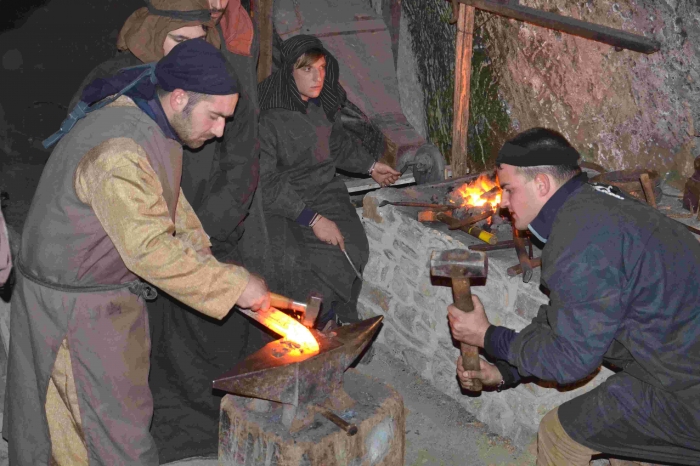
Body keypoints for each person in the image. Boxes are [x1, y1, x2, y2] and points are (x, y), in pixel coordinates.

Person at [2, 39, 270, 466]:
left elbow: (168, 206)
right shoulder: (118, 153)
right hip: (75, 312)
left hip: (86, 295)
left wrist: (214, 267)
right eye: (215, 116)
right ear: (180, 97)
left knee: (75, 430)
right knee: (114, 434)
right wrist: (236, 287)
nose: (220, 130)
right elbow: (149, 248)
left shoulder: (151, 119)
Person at [447, 127, 700, 465]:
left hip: (685, 388)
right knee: (622, 443)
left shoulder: (579, 239)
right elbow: (566, 317)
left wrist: (487, 336)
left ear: (541, 185)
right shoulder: (596, 201)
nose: (503, 203)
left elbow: (571, 361)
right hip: (674, 364)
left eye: (507, 189)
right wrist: (506, 370)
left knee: (559, 434)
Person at [242, 34, 401, 329]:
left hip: (325, 192)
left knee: (354, 245)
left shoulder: (319, 107)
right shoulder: (269, 117)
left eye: (322, 68)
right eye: (307, 70)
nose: (318, 77)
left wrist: (371, 166)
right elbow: (267, 180)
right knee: (310, 262)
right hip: (285, 203)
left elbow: (337, 145)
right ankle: (315, 322)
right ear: (290, 71)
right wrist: (313, 219)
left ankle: (340, 313)